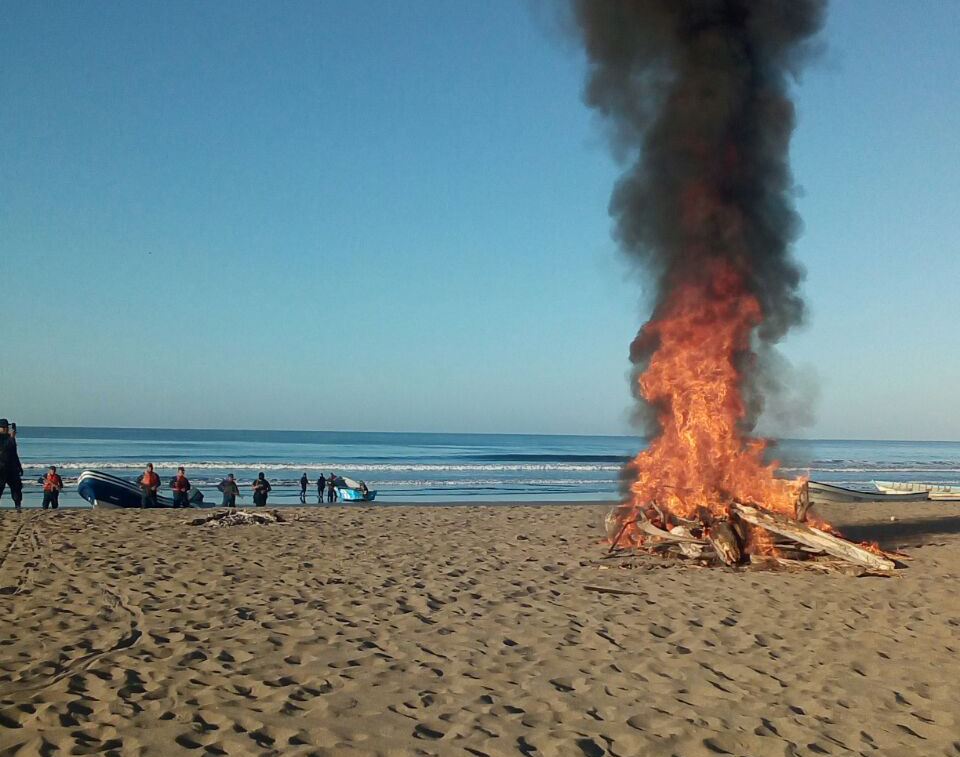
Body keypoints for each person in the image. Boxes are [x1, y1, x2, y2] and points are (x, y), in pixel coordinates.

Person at [0, 419, 23, 511]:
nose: (6, 429)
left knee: (16, 487)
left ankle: (18, 505)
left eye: (7, 427)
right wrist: (12, 438)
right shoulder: (6, 439)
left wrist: (19, 466)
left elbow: (14, 453)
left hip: (12, 467)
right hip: (1, 467)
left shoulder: (9, 438)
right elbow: (4, 448)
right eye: (4, 427)